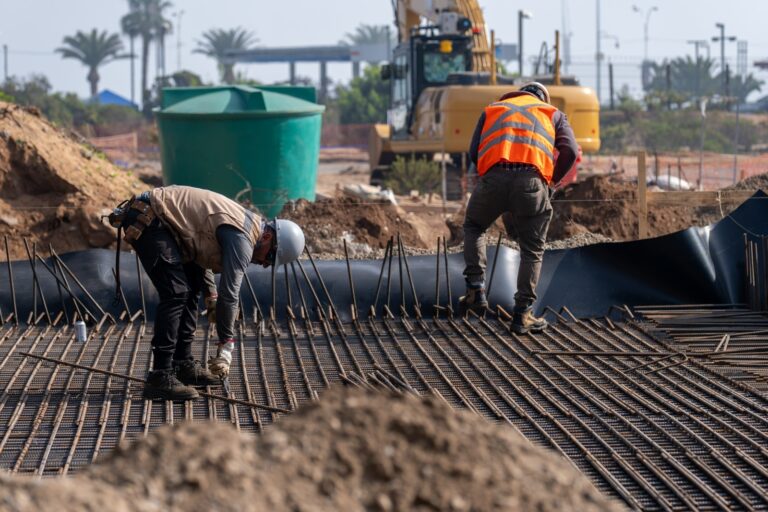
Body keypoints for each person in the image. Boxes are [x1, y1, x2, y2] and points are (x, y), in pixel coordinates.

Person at [111, 185, 305, 400]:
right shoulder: (243, 237)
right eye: (270, 258)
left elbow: (201, 251)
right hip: (151, 217)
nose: (264, 264)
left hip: (169, 225)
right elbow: (229, 295)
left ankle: (182, 364)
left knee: (191, 288)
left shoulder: (247, 227)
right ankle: (160, 376)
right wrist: (226, 346)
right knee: (176, 293)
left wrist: (210, 294)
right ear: (267, 237)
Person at [461, 82, 578, 334]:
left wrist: (494, 175)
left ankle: (475, 289)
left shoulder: (493, 110)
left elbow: (473, 152)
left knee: (474, 226)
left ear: (518, 93)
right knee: (532, 249)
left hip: (493, 179)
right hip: (531, 183)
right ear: (543, 98)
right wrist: (551, 183)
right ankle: (522, 314)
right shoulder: (552, 113)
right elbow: (570, 151)